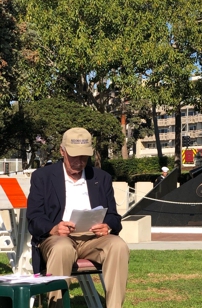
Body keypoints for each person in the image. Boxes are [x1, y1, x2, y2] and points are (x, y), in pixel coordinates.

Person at [26, 127, 129, 308]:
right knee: (62, 248)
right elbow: (34, 218)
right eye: (74, 156)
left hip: (93, 239)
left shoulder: (101, 177)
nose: (79, 162)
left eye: (84, 157)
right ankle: (56, 305)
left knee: (118, 245)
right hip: (57, 238)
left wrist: (108, 227)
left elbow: (114, 216)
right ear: (62, 151)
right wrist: (54, 228)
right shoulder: (43, 177)